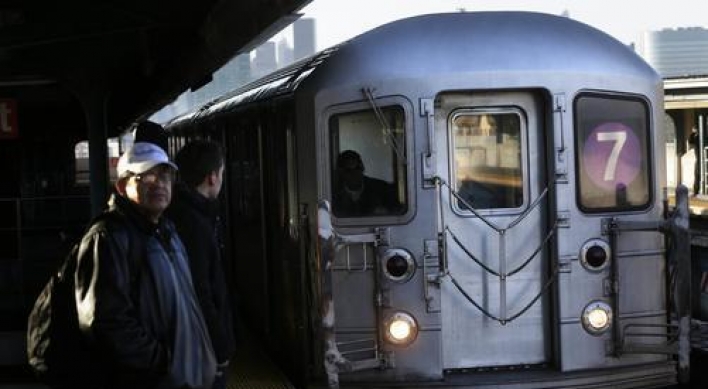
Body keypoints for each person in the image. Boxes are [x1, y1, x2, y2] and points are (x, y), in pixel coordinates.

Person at [74, 142, 216, 389]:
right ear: (121, 186)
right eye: (147, 175)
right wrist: (162, 363)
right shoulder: (109, 238)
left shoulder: (166, 230)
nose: (159, 183)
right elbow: (106, 322)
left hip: (182, 377)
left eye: (165, 174)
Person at [166, 140, 235, 389]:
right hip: (201, 344)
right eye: (223, 173)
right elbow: (201, 291)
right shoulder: (195, 224)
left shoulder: (182, 211)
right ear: (212, 178)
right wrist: (221, 346)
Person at [332, 149, 401, 217]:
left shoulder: (381, 189)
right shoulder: (334, 195)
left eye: (357, 168)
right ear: (341, 172)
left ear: (362, 168)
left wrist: (386, 212)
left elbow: (398, 212)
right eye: (348, 171)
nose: (355, 174)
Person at [689, 127, 701, 196]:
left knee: (697, 174)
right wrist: (693, 133)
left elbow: (691, 141)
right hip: (698, 158)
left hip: (699, 158)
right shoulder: (696, 136)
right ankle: (696, 191)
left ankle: (696, 191)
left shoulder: (699, 137)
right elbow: (690, 141)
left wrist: (694, 133)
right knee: (696, 174)